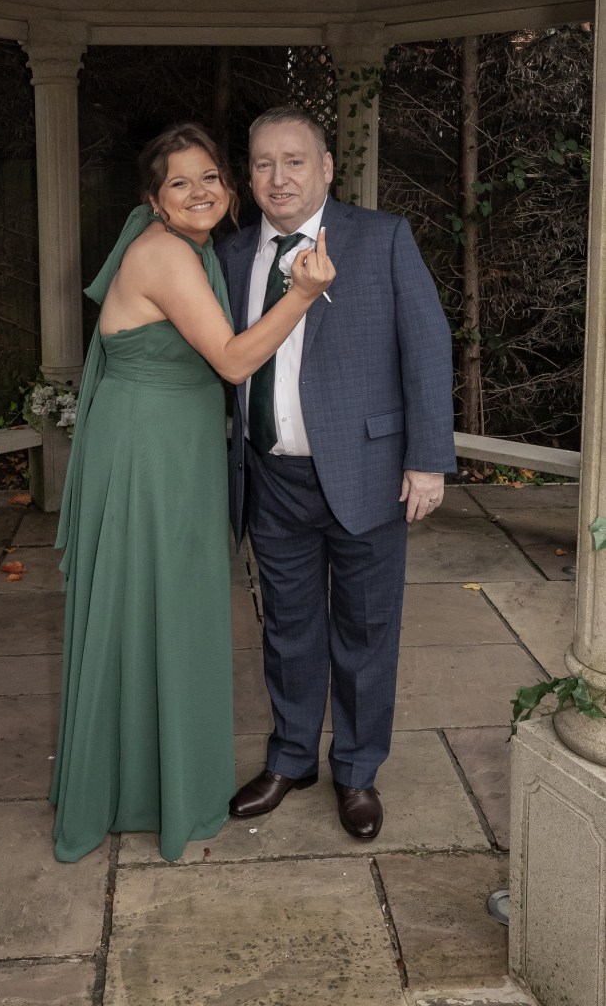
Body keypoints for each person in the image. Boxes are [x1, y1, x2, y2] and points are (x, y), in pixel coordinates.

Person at [49, 122, 335, 863]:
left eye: (210, 176)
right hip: (149, 453)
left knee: (158, 609)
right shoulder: (165, 253)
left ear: (229, 188)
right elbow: (234, 361)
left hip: (169, 444)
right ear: (155, 199)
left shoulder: (195, 248)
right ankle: (146, 789)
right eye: (179, 182)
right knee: (154, 606)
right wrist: (303, 293)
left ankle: (143, 784)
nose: (199, 191)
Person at [218, 106, 456, 840]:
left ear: (325, 168)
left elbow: (426, 348)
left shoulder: (380, 238)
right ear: (248, 175)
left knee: (365, 630)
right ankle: (291, 758)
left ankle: (356, 770)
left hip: (369, 473)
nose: (278, 177)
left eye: (294, 160)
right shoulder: (231, 254)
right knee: (287, 629)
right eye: (263, 163)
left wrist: (427, 459)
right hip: (270, 478)